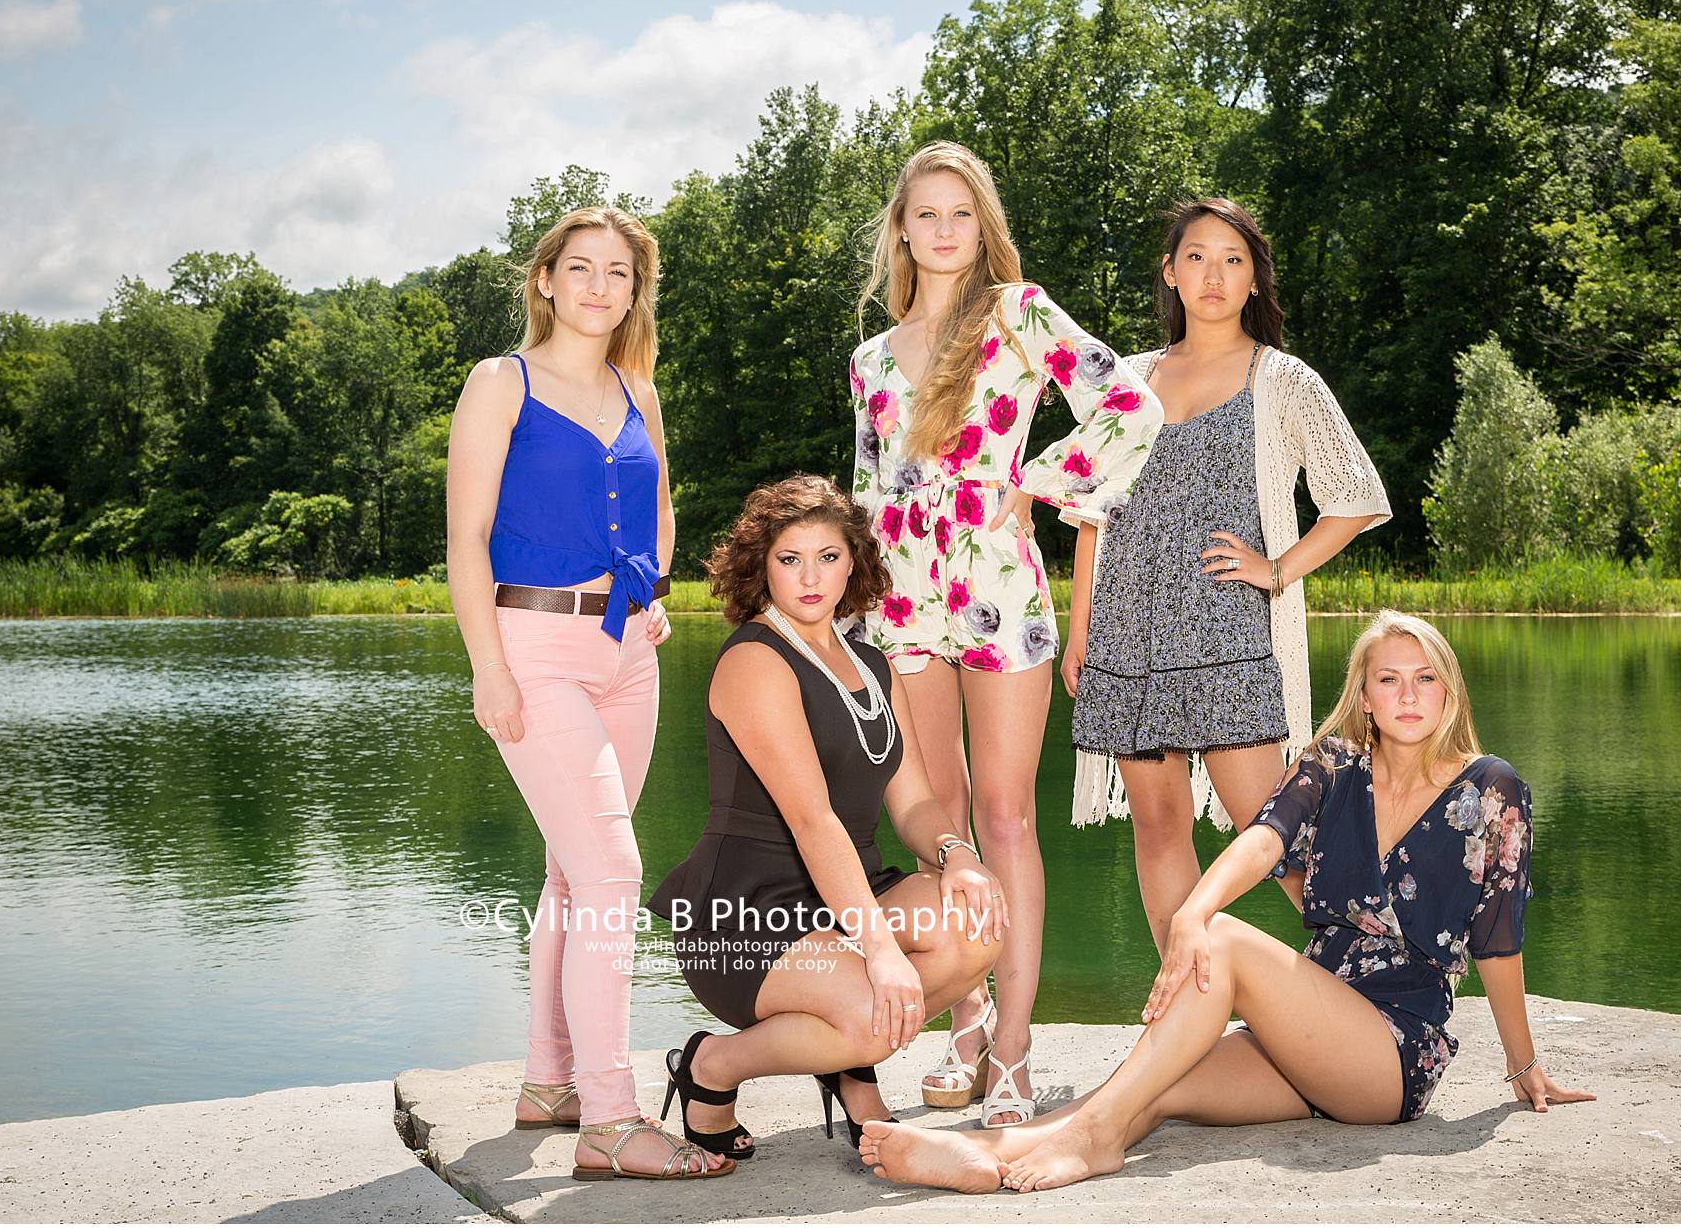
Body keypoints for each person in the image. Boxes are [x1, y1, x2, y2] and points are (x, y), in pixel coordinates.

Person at [856, 610, 1595, 1194]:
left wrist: (1523, 1065)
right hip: (1307, 1031)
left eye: (1425, 679)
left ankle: (1090, 1145)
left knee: (1224, 941)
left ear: (1449, 690)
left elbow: (1498, 940)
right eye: (1390, 679)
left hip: (1393, 1052)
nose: (1408, 695)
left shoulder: (1491, 788)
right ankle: (986, 1154)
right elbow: (1263, 839)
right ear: (1365, 695)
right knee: (1153, 1084)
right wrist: (1190, 911)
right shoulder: (1334, 764)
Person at [848, 142, 1163, 1124]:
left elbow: (1130, 405)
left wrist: (1035, 484)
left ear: (981, 227)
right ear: (901, 230)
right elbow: (864, 493)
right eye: (926, 214)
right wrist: (847, 620)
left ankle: (1015, 1052)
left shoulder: (1018, 314)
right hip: (900, 600)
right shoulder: (870, 359)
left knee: (1005, 815)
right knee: (938, 820)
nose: (943, 230)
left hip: (996, 589)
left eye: (961, 213)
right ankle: (967, 1023)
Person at [445, 207, 726, 1181]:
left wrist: (652, 592)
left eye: (619, 272)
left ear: (633, 290)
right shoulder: (500, 383)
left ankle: (548, 1081)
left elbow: (661, 507)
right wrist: (488, 667)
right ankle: (610, 1120)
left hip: (626, 652)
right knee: (611, 875)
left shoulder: (636, 388)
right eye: (582, 267)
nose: (601, 286)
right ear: (546, 280)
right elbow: (465, 539)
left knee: (574, 872)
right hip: (532, 647)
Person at [646, 475, 1009, 1158]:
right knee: (874, 1008)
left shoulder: (873, 665)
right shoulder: (755, 659)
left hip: (846, 897)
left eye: (828, 557)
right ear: (762, 566)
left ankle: (846, 1057)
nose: (811, 577)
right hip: (747, 912)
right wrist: (881, 952)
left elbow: (914, 802)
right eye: (790, 559)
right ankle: (709, 1066)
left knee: (977, 921)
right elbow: (813, 821)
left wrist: (958, 855)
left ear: (854, 562)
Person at [1064, 198, 1391, 950]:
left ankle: (1366, 969)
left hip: (1230, 632)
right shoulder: (1127, 380)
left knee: (1270, 826)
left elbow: (1354, 496)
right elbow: (1088, 513)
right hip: (1128, 635)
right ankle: (1182, 989)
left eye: (1233, 260)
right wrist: (1080, 631)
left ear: (1253, 280)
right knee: (1158, 824)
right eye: (1197, 257)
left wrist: (1276, 569)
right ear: (1171, 274)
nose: (1214, 275)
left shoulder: (1283, 379)